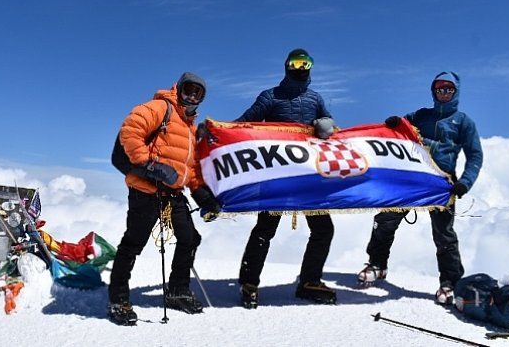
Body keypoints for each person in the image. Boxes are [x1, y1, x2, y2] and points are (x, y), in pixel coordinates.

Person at [357, 71, 483, 306]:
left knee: (444, 234)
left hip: (443, 183)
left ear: (456, 91)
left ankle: (450, 282)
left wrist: (465, 182)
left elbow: (475, 155)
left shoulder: (463, 121)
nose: (443, 93)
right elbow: (395, 129)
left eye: (448, 89)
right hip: (413, 180)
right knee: (385, 220)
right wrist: (393, 123)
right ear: (433, 91)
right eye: (439, 89)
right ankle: (377, 264)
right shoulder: (421, 116)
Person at [107, 72, 222, 325]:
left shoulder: (190, 127)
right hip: (146, 191)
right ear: (179, 89)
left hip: (173, 194)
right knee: (133, 243)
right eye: (188, 89)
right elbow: (130, 131)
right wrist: (149, 165)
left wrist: (203, 196)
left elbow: (189, 170)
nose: (192, 96)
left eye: (198, 93)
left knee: (190, 238)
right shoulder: (161, 107)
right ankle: (118, 299)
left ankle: (177, 291)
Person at [235, 48, 338, 307]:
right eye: (296, 63)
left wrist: (327, 125)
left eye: (306, 63)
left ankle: (309, 281)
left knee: (323, 229)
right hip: (276, 177)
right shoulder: (270, 96)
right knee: (266, 228)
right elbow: (245, 123)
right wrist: (218, 130)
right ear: (287, 66)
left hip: (308, 179)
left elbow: (331, 128)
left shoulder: (316, 99)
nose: (301, 68)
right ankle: (249, 283)